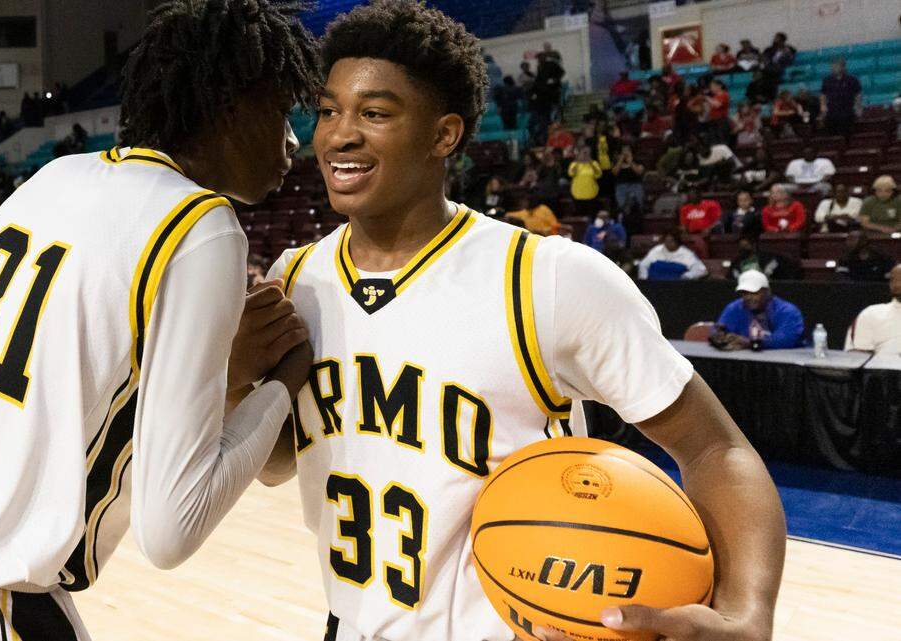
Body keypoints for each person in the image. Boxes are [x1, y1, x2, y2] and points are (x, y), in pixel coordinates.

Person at [263, 5, 785, 641]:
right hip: (347, 624)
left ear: (443, 135)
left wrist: (749, 612)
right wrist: (241, 382)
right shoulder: (295, 280)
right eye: (327, 110)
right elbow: (278, 462)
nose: (339, 135)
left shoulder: (549, 278)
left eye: (374, 113)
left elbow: (714, 448)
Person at [0, 2, 320, 639]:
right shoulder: (202, 227)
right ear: (228, 107)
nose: (293, 140)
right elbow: (172, 529)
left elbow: (75, 391)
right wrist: (284, 379)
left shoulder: (55, 175)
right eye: (280, 113)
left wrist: (218, 374)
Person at [713, 270, 805, 350]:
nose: (749, 297)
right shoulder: (734, 308)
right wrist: (718, 337)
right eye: (745, 293)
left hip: (784, 363)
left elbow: (786, 340)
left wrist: (749, 342)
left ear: (767, 292)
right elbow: (718, 329)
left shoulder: (787, 311)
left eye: (754, 293)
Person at [846, 265, 901, 353]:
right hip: (883, 366)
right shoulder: (871, 314)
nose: (898, 284)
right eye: (895, 280)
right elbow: (856, 357)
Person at [638, 228, 708, 280]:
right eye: (666, 241)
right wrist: (645, 279)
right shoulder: (657, 250)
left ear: (677, 242)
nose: (668, 244)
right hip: (654, 285)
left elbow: (701, 270)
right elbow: (643, 265)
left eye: (671, 241)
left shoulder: (687, 254)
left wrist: (686, 276)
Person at [820, 58, 862, 138]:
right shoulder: (827, 80)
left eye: (836, 66)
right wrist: (823, 106)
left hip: (847, 111)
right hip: (832, 112)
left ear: (843, 67)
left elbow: (858, 94)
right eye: (832, 66)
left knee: (847, 134)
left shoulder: (852, 80)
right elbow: (823, 94)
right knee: (831, 135)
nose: (833, 68)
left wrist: (857, 107)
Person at [730, 234, 800, 280]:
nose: (744, 250)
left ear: (754, 246)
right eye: (741, 247)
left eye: (746, 246)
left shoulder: (769, 258)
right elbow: (732, 277)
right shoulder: (737, 262)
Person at [568, 146, 602, 218]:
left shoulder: (594, 163)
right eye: (583, 152)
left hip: (591, 194)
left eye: (587, 153)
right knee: (579, 216)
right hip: (578, 194)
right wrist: (578, 161)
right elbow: (571, 173)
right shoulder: (574, 164)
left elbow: (599, 175)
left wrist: (591, 163)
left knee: (592, 216)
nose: (585, 155)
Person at [612, 146, 644, 217]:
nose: (625, 153)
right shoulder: (617, 162)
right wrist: (620, 160)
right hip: (621, 187)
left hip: (635, 186)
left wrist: (630, 162)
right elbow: (614, 172)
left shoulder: (637, 160)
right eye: (623, 152)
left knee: (637, 206)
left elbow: (639, 172)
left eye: (627, 151)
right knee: (622, 208)